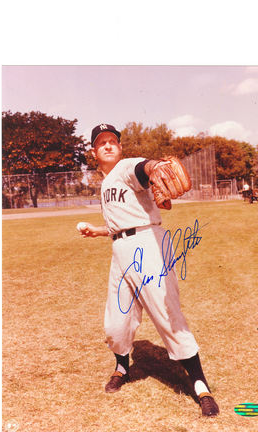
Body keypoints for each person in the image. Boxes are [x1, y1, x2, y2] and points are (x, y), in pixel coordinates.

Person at [78, 123, 219, 417]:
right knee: (116, 323)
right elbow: (123, 223)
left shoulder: (127, 166)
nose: (107, 145)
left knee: (168, 315)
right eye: (101, 142)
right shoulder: (105, 184)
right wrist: (99, 231)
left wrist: (154, 167)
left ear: (120, 148)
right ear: (94, 152)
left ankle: (200, 385)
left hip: (148, 246)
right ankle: (122, 366)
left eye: (112, 141)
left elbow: (144, 167)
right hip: (120, 249)